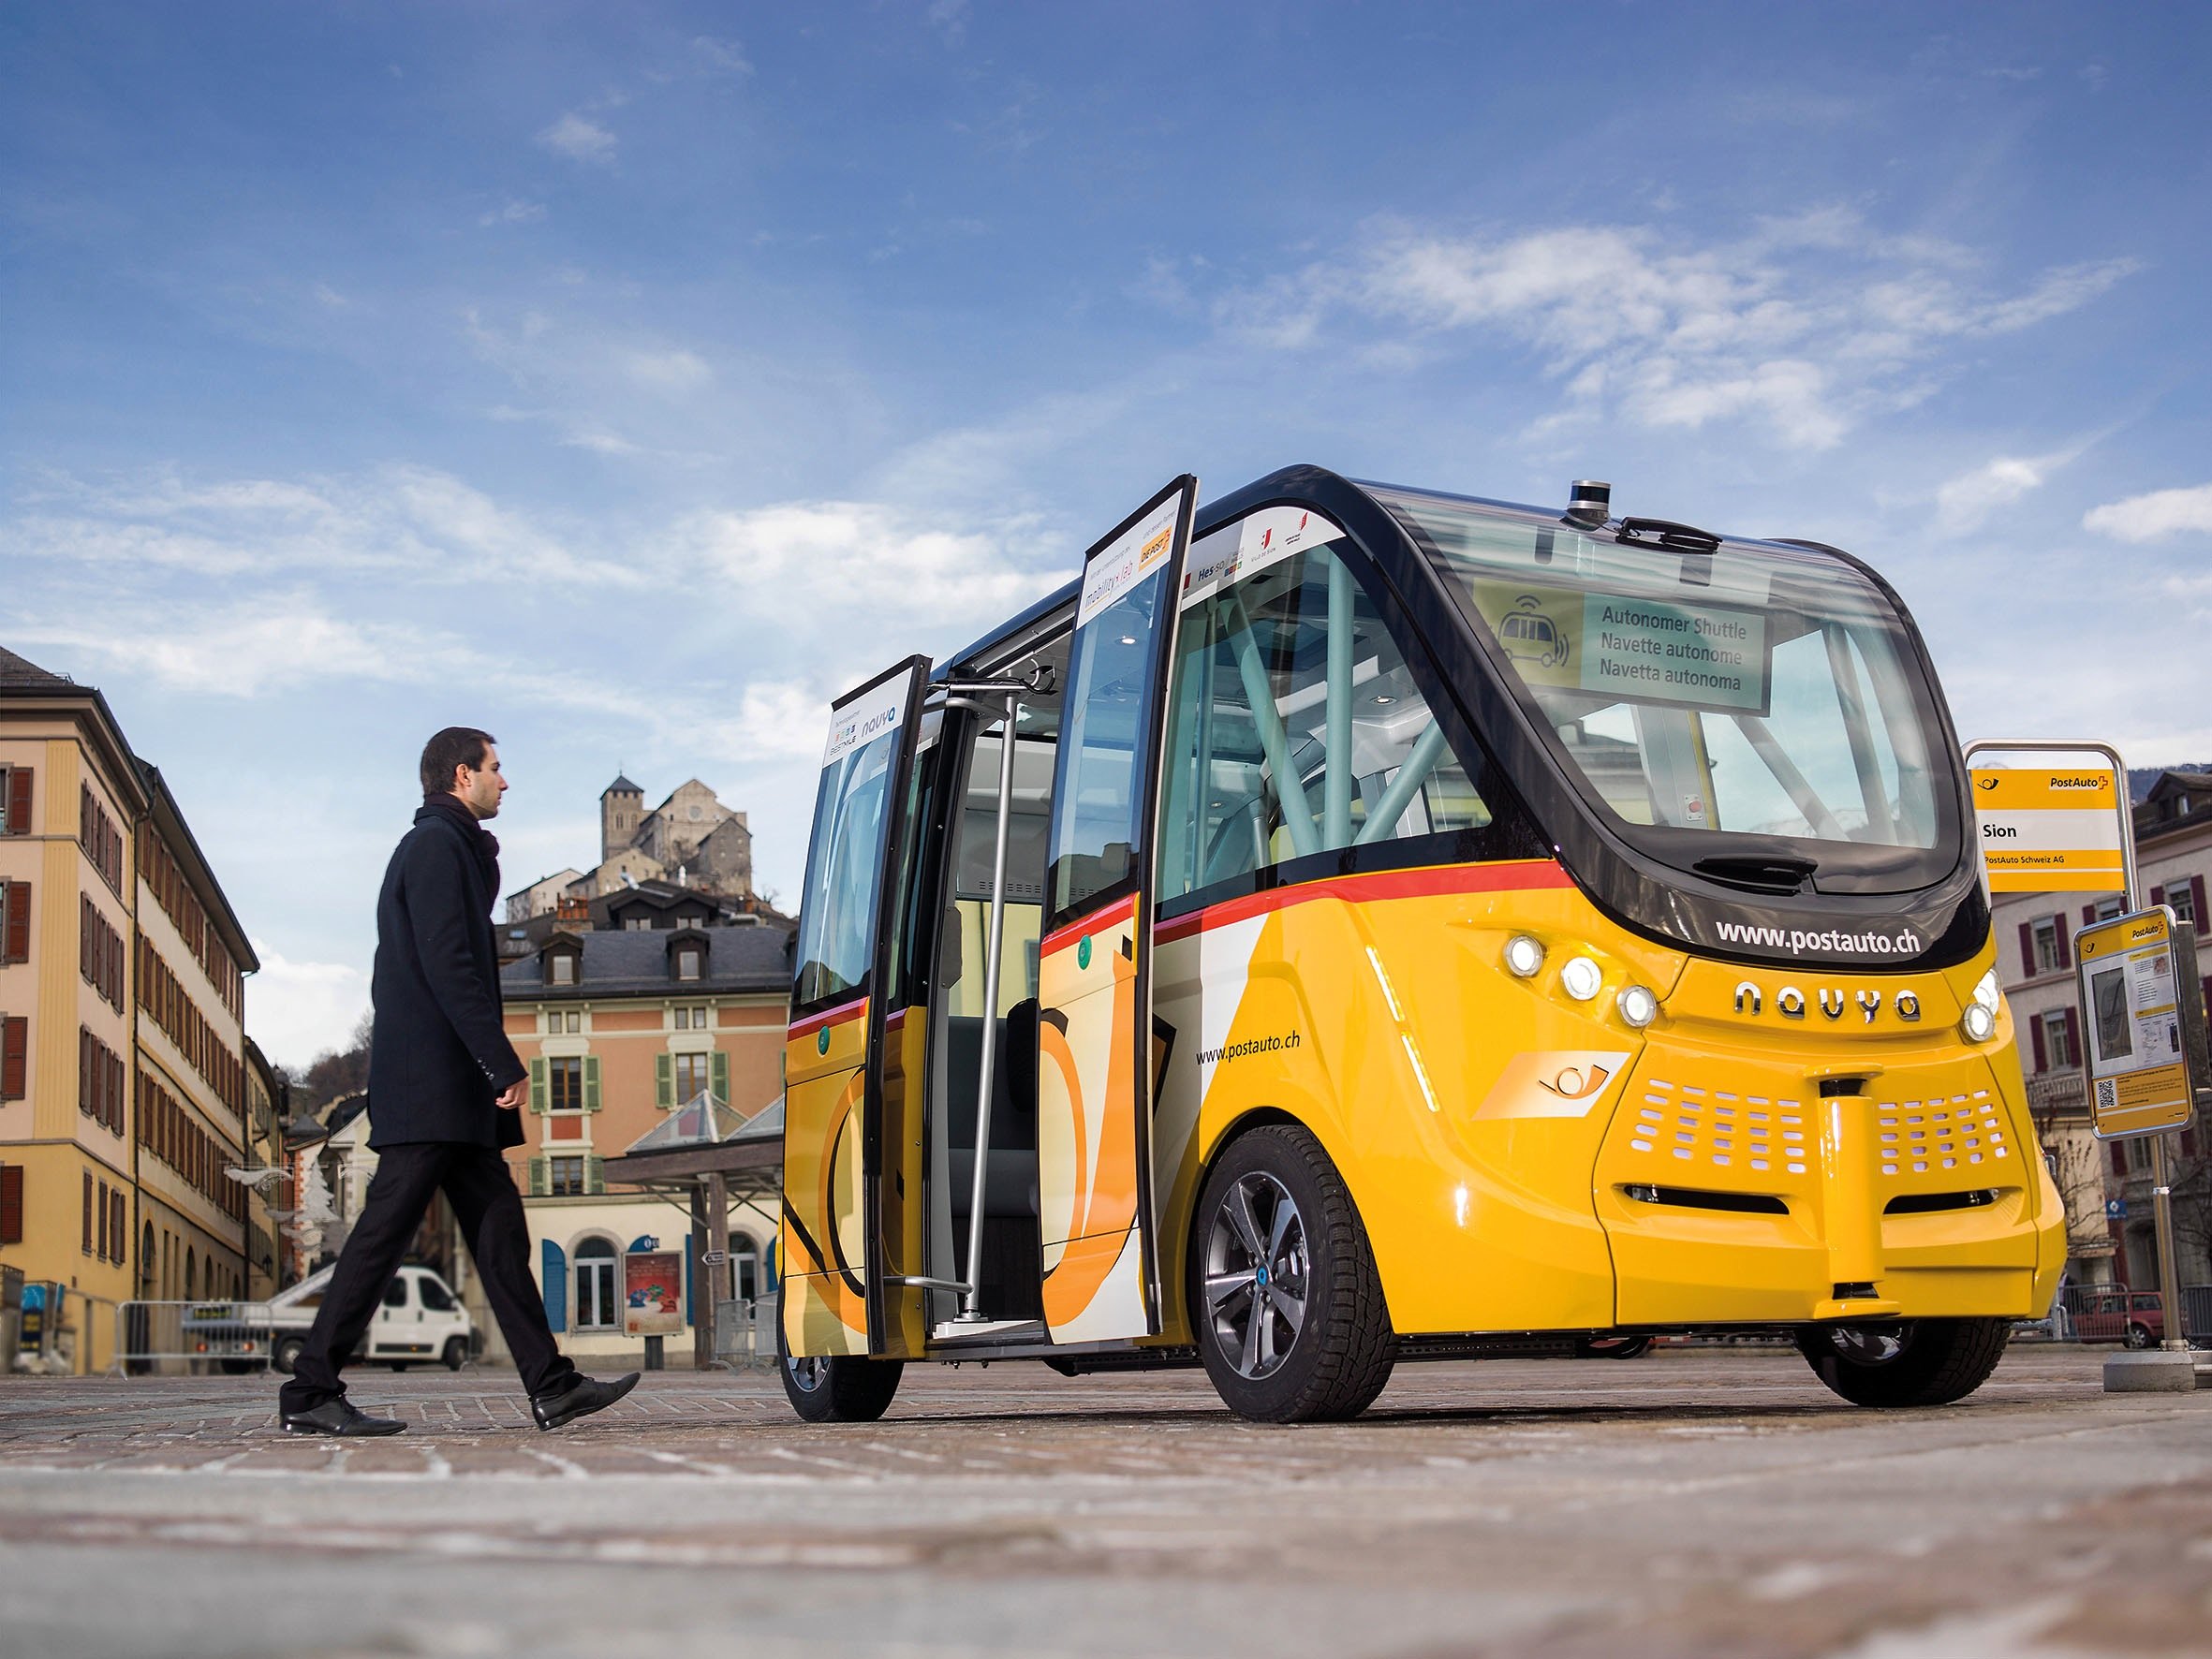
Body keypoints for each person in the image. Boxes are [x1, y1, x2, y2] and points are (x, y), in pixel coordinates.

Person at [279, 728, 638, 1436]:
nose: (506, 782)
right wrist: (498, 1061)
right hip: (433, 1085)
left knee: (500, 1233)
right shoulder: (435, 848)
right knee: (381, 1238)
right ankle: (309, 1391)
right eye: (496, 769)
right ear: (460, 774)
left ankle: (552, 1384)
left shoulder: (453, 850)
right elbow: (449, 964)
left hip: (448, 1088)